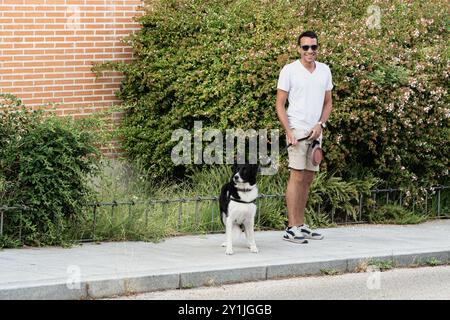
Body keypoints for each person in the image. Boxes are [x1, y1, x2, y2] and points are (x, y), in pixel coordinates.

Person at [276, 31, 333, 243]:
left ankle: (300, 224)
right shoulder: (289, 70)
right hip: (297, 131)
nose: (310, 51)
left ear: (318, 48)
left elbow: (328, 103)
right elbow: (279, 105)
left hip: (316, 132)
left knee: (308, 179)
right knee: (297, 177)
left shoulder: (324, 71)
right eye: (305, 47)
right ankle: (291, 228)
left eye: (313, 47)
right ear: (299, 49)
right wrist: (288, 131)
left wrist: (320, 124)